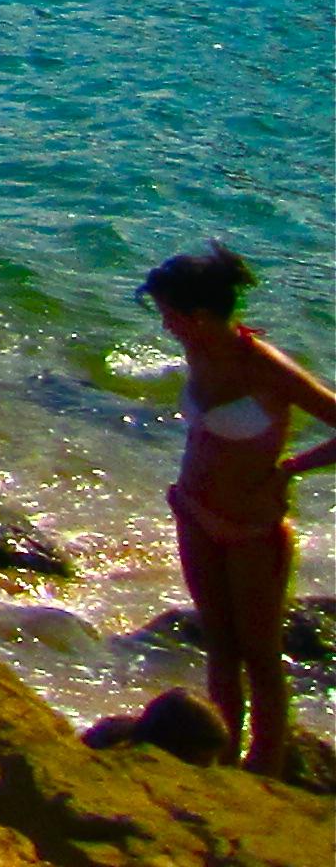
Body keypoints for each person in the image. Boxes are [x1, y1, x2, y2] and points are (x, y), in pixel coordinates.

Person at [140, 243, 336, 774]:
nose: (166, 327)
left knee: (261, 657)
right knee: (220, 648)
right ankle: (222, 758)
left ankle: (267, 768)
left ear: (201, 316)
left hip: (252, 527)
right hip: (194, 513)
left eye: (171, 316)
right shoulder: (200, 350)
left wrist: (288, 469)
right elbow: (208, 435)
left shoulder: (265, 368)